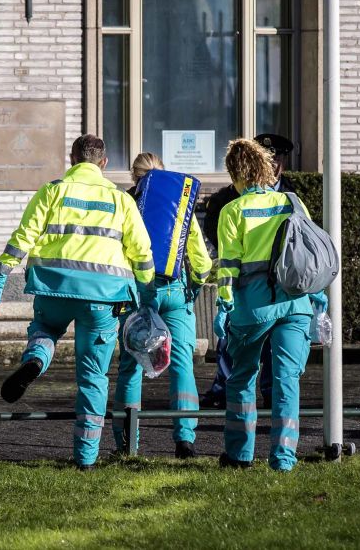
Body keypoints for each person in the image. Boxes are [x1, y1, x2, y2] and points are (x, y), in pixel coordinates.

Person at [0, 134, 154, 470]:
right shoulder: (121, 201)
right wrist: (146, 291)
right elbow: (141, 251)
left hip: (53, 290)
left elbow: (24, 235)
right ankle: (85, 458)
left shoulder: (53, 191)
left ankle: (36, 359)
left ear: (73, 158)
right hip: (102, 299)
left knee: (44, 329)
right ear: (103, 163)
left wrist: (0, 273)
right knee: (93, 376)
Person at [212, 138, 326, 472]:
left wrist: (223, 306)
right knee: (286, 381)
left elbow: (229, 267)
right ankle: (284, 458)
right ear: (266, 168)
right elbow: (311, 256)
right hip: (295, 304)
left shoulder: (232, 211)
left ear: (235, 174)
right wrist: (319, 300)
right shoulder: (292, 201)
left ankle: (239, 455)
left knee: (242, 378)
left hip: (253, 309)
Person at [111, 152, 212, 459]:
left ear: (134, 177)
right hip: (176, 291)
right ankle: (184, 440)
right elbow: (203, 261)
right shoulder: (179, 206)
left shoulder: (127, 203)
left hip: (139, 294)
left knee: (132, 366)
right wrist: (192, 287)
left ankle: (128, 444)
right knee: (182, 363)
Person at [200, 133, 295, 410]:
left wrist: (225, 299)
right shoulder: (289, 201)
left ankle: (242, 449)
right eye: (269, 159)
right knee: (284, 380)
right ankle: (283, 452)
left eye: (278, 158)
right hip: (287, 301)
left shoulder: (282, 197)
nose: (274, 164)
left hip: (256, 297)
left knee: (249, 371)